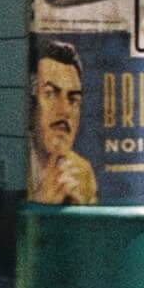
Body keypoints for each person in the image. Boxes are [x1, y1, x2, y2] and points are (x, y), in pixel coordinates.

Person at [28, 40, 96, 205]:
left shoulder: (83, 171)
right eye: (50, 94)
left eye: (73, 99)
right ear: (30, 105)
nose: (65, 110)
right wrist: (42, 202)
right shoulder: (18, 160)